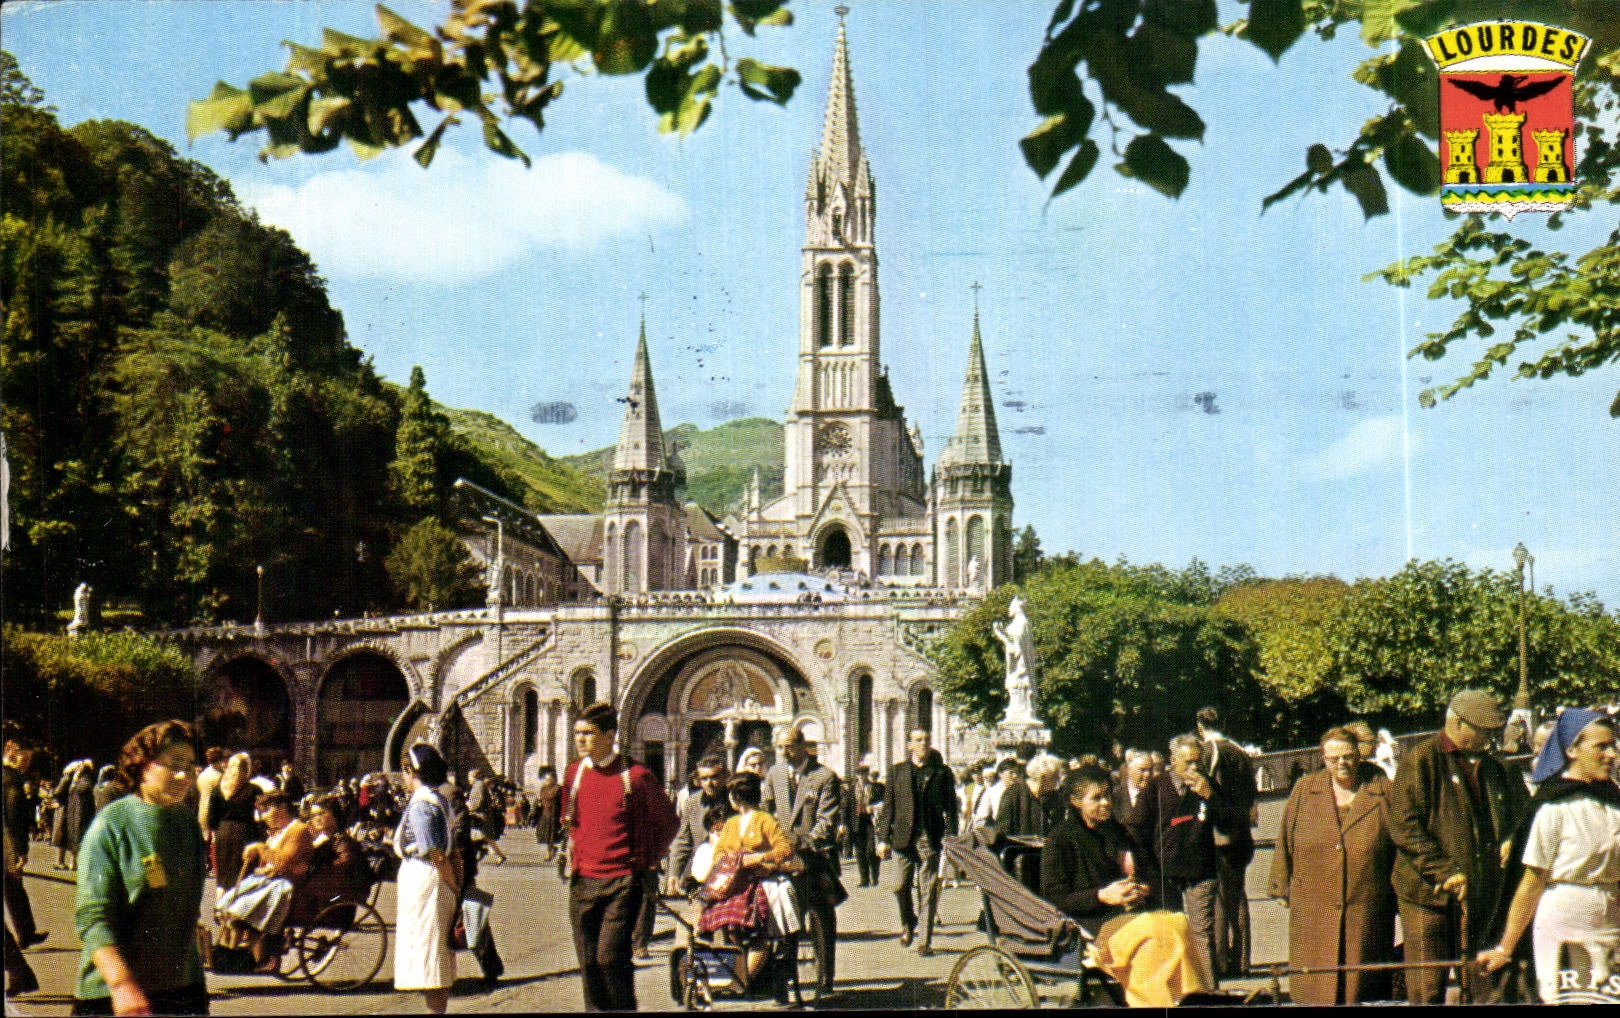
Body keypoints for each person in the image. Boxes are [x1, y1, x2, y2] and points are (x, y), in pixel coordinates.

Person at [1389, 688, 1528, 1004]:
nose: (1490, 738)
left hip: (1480, 895)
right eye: (1483, 730)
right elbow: (1405, 826)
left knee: (1484, 985)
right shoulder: (1421, 760)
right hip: (1427, 896)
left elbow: (1517, 816)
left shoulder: (1494, 766)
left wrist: (1510, 839)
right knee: (1427, 987)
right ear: (1458, 723)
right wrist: (1444, 872)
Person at [1477, 710, 1619, 1003]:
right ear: (1572, 750)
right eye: (1601, 746)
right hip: (1565, 919)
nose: (1612, 754)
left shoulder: (1613, 801)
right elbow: (1530, 884)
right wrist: (1505, 947)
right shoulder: (1552, 808)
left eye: (1613, 745)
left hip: (1610, 919)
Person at [72, 720, 208, 1016]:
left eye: (190, 765)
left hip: (183, 990)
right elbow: (92, 917)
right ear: (143, 766)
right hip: (115, 995)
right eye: (174, 764)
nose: (185, 775)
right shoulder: (112, 824)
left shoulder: (187, 823)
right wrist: (121, 984)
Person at [561, 703, 678, 1012]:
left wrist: (647, 858)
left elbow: (669, 822)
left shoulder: (636, 776)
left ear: (609, 735)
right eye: (577, 733)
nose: (580, 739)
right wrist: (573, 850)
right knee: (588, 963)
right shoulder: (574, 773)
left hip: (623, 882)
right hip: (583, 881)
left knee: (610, 959)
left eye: (588, 733)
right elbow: (569, 819)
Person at [1268, 727, 1397, 1005]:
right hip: (1313, 904)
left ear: (1358, 755)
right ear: (1323, 758)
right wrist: (1280, 883)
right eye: (1333, 758)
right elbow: (1285, 837)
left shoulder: (1381, 788)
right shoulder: (1305, 788)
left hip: (1365, 902)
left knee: (1361, 985)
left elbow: (1400, 842)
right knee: (1316, 985)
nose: (1342, 763)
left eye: (1348, 756)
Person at [1127, 733, 1235, 985]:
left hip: (1201, 870)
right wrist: (1149, 869)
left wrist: (1211, 797)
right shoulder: (1156, 787)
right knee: (1170, 933)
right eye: (1188, 762)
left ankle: (1208, 992)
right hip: (1165, 873)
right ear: (1173, 760)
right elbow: (1135, 828)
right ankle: (1174, 989)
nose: (1194, 768)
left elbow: (1229, 823)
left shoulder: (1207, 784)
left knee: (1201, 933)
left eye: (1198, 762)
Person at [762, 726, 843, 997]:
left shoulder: (824, 777)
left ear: (802, 745)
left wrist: (799, 842)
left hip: (815, 861)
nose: (784, 753)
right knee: (785, 922)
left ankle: (825, 981)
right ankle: (786, 981)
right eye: (780, 747)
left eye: (789, 747)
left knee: (821, 921)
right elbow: (767, 811)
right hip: (784, 862)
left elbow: (826, 823)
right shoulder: (774, 774)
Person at [698, 772, 797, 986]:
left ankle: (744, 980)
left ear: (736, 796)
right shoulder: (731, 823)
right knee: (731, 927)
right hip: (735, 884)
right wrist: (734, 858)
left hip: (759, 883)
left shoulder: (765, 820)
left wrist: (761, 858)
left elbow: (786, 849)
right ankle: (739, 974)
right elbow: (719, 852)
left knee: (757, 933)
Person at [1041, 765, 1154, 934]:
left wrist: (1144, 888)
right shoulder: (1060, 839)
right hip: (1088, 923)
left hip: (1125, 916)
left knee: (1176, 925)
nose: (1106, 802)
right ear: (1076, 801)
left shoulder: (1117, 831)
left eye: (1107, 795)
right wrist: (1100, 896)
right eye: (1097, 798)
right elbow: (1054, 899)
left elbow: (1145, 870)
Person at [876, 729, 958, 956]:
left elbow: (952, 807)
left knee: (928, 889)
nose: (924, 743)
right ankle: (908, 921)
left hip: (929, 837)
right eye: (918, 740)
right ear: (909, 745)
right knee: (899, 885)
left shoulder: (942, 772)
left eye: (927, 740)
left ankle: (925, 941)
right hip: (903, 838)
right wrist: (882, 839)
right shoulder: (897, 771)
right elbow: (888, 807)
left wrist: (951, 835)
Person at [214, 791, 316, 973]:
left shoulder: (298, 830)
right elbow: (269, 861)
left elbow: (283, 863)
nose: (262, 817)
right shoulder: (278, 832)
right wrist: (259, 859)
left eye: (266, 811)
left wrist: (261, 848)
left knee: (241, 910)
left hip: (283, 885)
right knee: (230, 906)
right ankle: (232, 953)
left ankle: (252, 958)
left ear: (282, 808)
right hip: (268, 880)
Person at [394, 743, 458, 1014]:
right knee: (434, 952)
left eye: (404, 771)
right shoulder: (437, 799)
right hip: (429, 877)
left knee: (429, 952)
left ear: (412, 771)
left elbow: (435, 853)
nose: (403, 777)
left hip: (425, 877)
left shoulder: (422, 804)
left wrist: (452, 885)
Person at [1196, 706, 1257, 979]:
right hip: (1241, 830)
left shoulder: (1209, 752)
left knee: (1219, 898)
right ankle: (1242, 960)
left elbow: (1206, 791)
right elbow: (1251, 793)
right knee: (1238, 896)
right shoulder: (1240, 751)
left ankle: (1220, 960)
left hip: (1219, 833)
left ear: (1200, 726)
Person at [3, 738, 46, 999]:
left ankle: (19, 970)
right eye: (25, 758)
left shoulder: (10, 779)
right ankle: (19, 970)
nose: (27, 764)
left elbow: (12, 817)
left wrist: (19, 851)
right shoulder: (10, 779)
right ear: (10, 749)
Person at [998, 753, 1062, 892]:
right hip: (1018, 865)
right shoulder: (1013, 794)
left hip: (1047, 864)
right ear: (1044, 777)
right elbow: (1002, 832)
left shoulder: (1055, 798)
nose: (1059, 781)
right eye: (1056, 777)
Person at [669, 756, 730, 894]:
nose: (709, 783)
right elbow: (683, 840)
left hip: (728, 873)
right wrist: (674, 872)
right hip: (699, 872)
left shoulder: (735, 801)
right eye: (704, 778)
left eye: (714, 777)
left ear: (725, 776)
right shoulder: (693, 802)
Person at [209, 753, 259, 893]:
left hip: (223, 833)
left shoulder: (217, 790)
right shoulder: (254, 790)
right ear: (247, 768)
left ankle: (220, 903)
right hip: (246, 832)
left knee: (223, 879)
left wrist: (215, 835)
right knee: (243, 877)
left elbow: (212, 819)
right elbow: (261, 815)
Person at [53, 759, 96, 871]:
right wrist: (62, 801)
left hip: (69, 809)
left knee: (70, 835)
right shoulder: (70, 778)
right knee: (68, 836)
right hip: (68, 809)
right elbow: (58, 792)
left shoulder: (74, 779)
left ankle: (65, 861)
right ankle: (65, 861)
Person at [972, 757, 1021, 831]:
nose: (1015, 776)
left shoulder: (1022, 790)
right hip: (999, 832)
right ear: (1000, 774)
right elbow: (980, 819)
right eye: (1011, 772)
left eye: (1017, 772)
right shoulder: (992, 792)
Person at [1113, 749, 1153, 828]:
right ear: (1129, 770)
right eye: (1143, 770)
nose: (1148, 774)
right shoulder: (1116, 794)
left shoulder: (1157, 794)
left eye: (1150, 770)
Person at [194, 748, 226, 837]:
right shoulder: (219, 777)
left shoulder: (201, 775)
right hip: (214, 813)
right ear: (220, 760)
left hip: (202, 810)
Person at [534, 765, 561, 862]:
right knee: (546, 835)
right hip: (545, 814)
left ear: (554, 779)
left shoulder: (558, 788)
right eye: (546, 779)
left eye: (549, 779)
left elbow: (561, 802)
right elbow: (540, 799)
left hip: (554, 814)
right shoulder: (543, 788)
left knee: (551, 835)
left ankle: (549, 854)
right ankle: (552, 848)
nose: (546, 781)